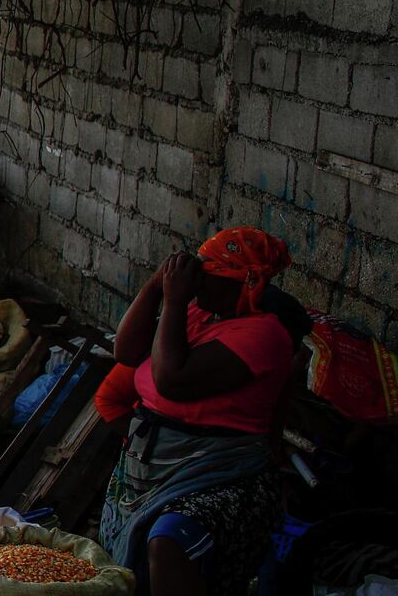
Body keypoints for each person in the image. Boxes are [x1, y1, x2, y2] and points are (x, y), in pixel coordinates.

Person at [100, 228, 297, 596]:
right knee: (131, 565)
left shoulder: (264, 335)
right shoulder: (197, 314)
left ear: (246, 284)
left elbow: (172, 380)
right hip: (153, 465)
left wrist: (174, 303)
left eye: (211, 278)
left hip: (220, 471)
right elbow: (125, 352)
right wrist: (155, 288)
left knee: (168, 542)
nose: (199, 286)